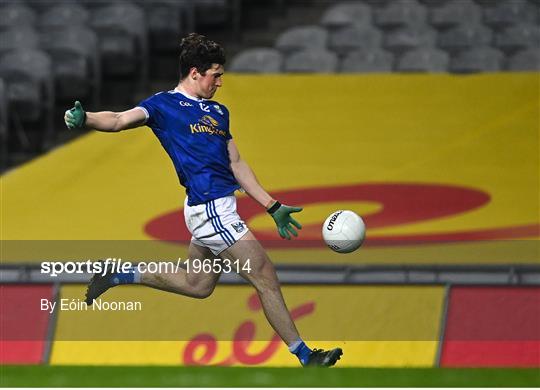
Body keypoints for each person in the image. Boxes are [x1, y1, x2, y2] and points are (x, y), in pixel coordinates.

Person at [64, 33, 342, 367]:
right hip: (210, 208)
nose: (221, 82)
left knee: (198, 284)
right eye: (216, 75)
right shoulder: (163, 105)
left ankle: (120, 274)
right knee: (264, 274)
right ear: (194, 73)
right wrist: (87, 119)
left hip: (216, 208)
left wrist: (273, 206)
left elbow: (236, 163)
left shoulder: (218, 112)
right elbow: (120, 119)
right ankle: (305, 355)